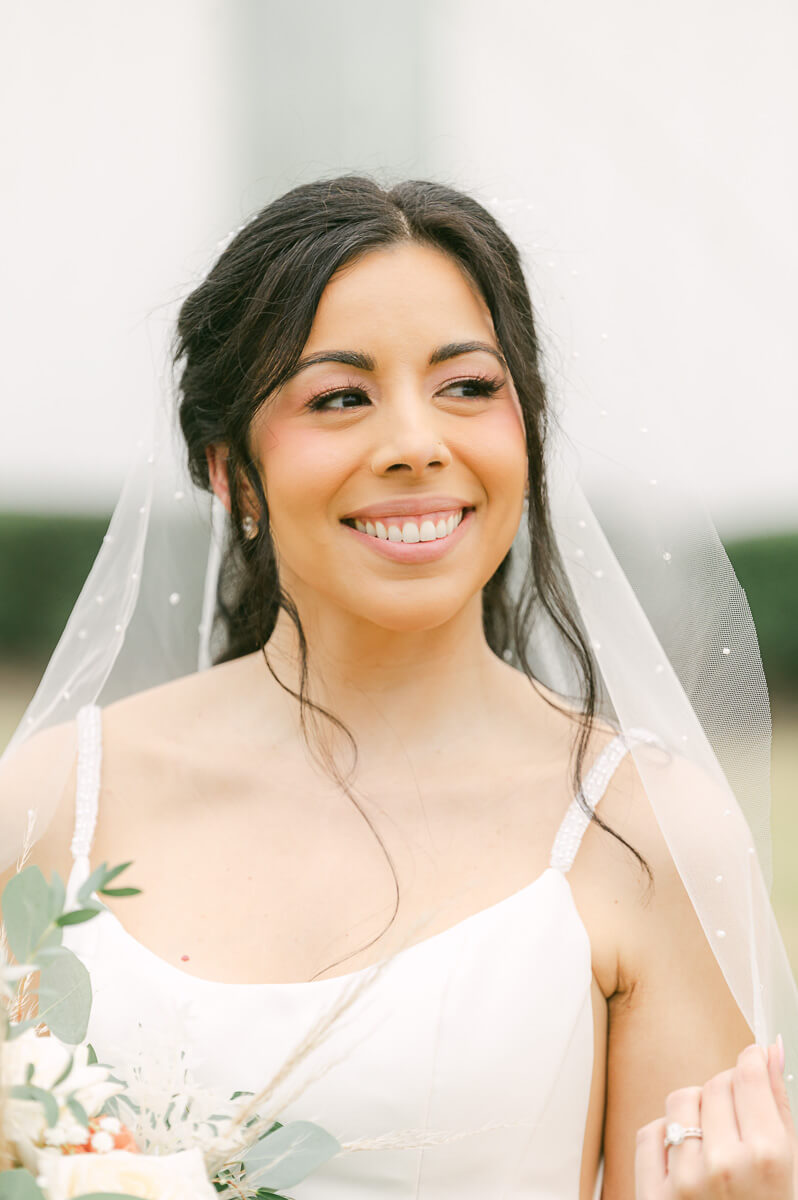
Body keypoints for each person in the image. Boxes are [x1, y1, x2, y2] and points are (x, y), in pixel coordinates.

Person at [1, 176, 796, 1198]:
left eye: (467, 387)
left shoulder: (650, 834)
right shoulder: (55, 800)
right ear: (230, 473)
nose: (418, 442)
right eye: (341, 397)